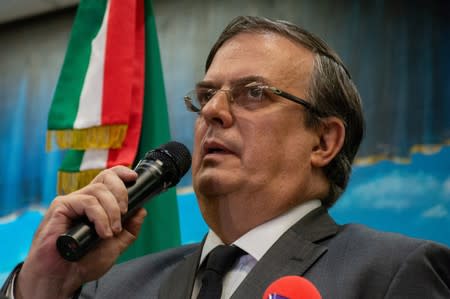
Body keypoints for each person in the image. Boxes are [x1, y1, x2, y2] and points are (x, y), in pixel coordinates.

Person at [2, 16, 450, 299]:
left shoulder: (391, 274)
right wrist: (43, 286)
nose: (212, 111)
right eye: (205, 95)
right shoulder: (113, 286)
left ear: (323, 142)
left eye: (253, 93)